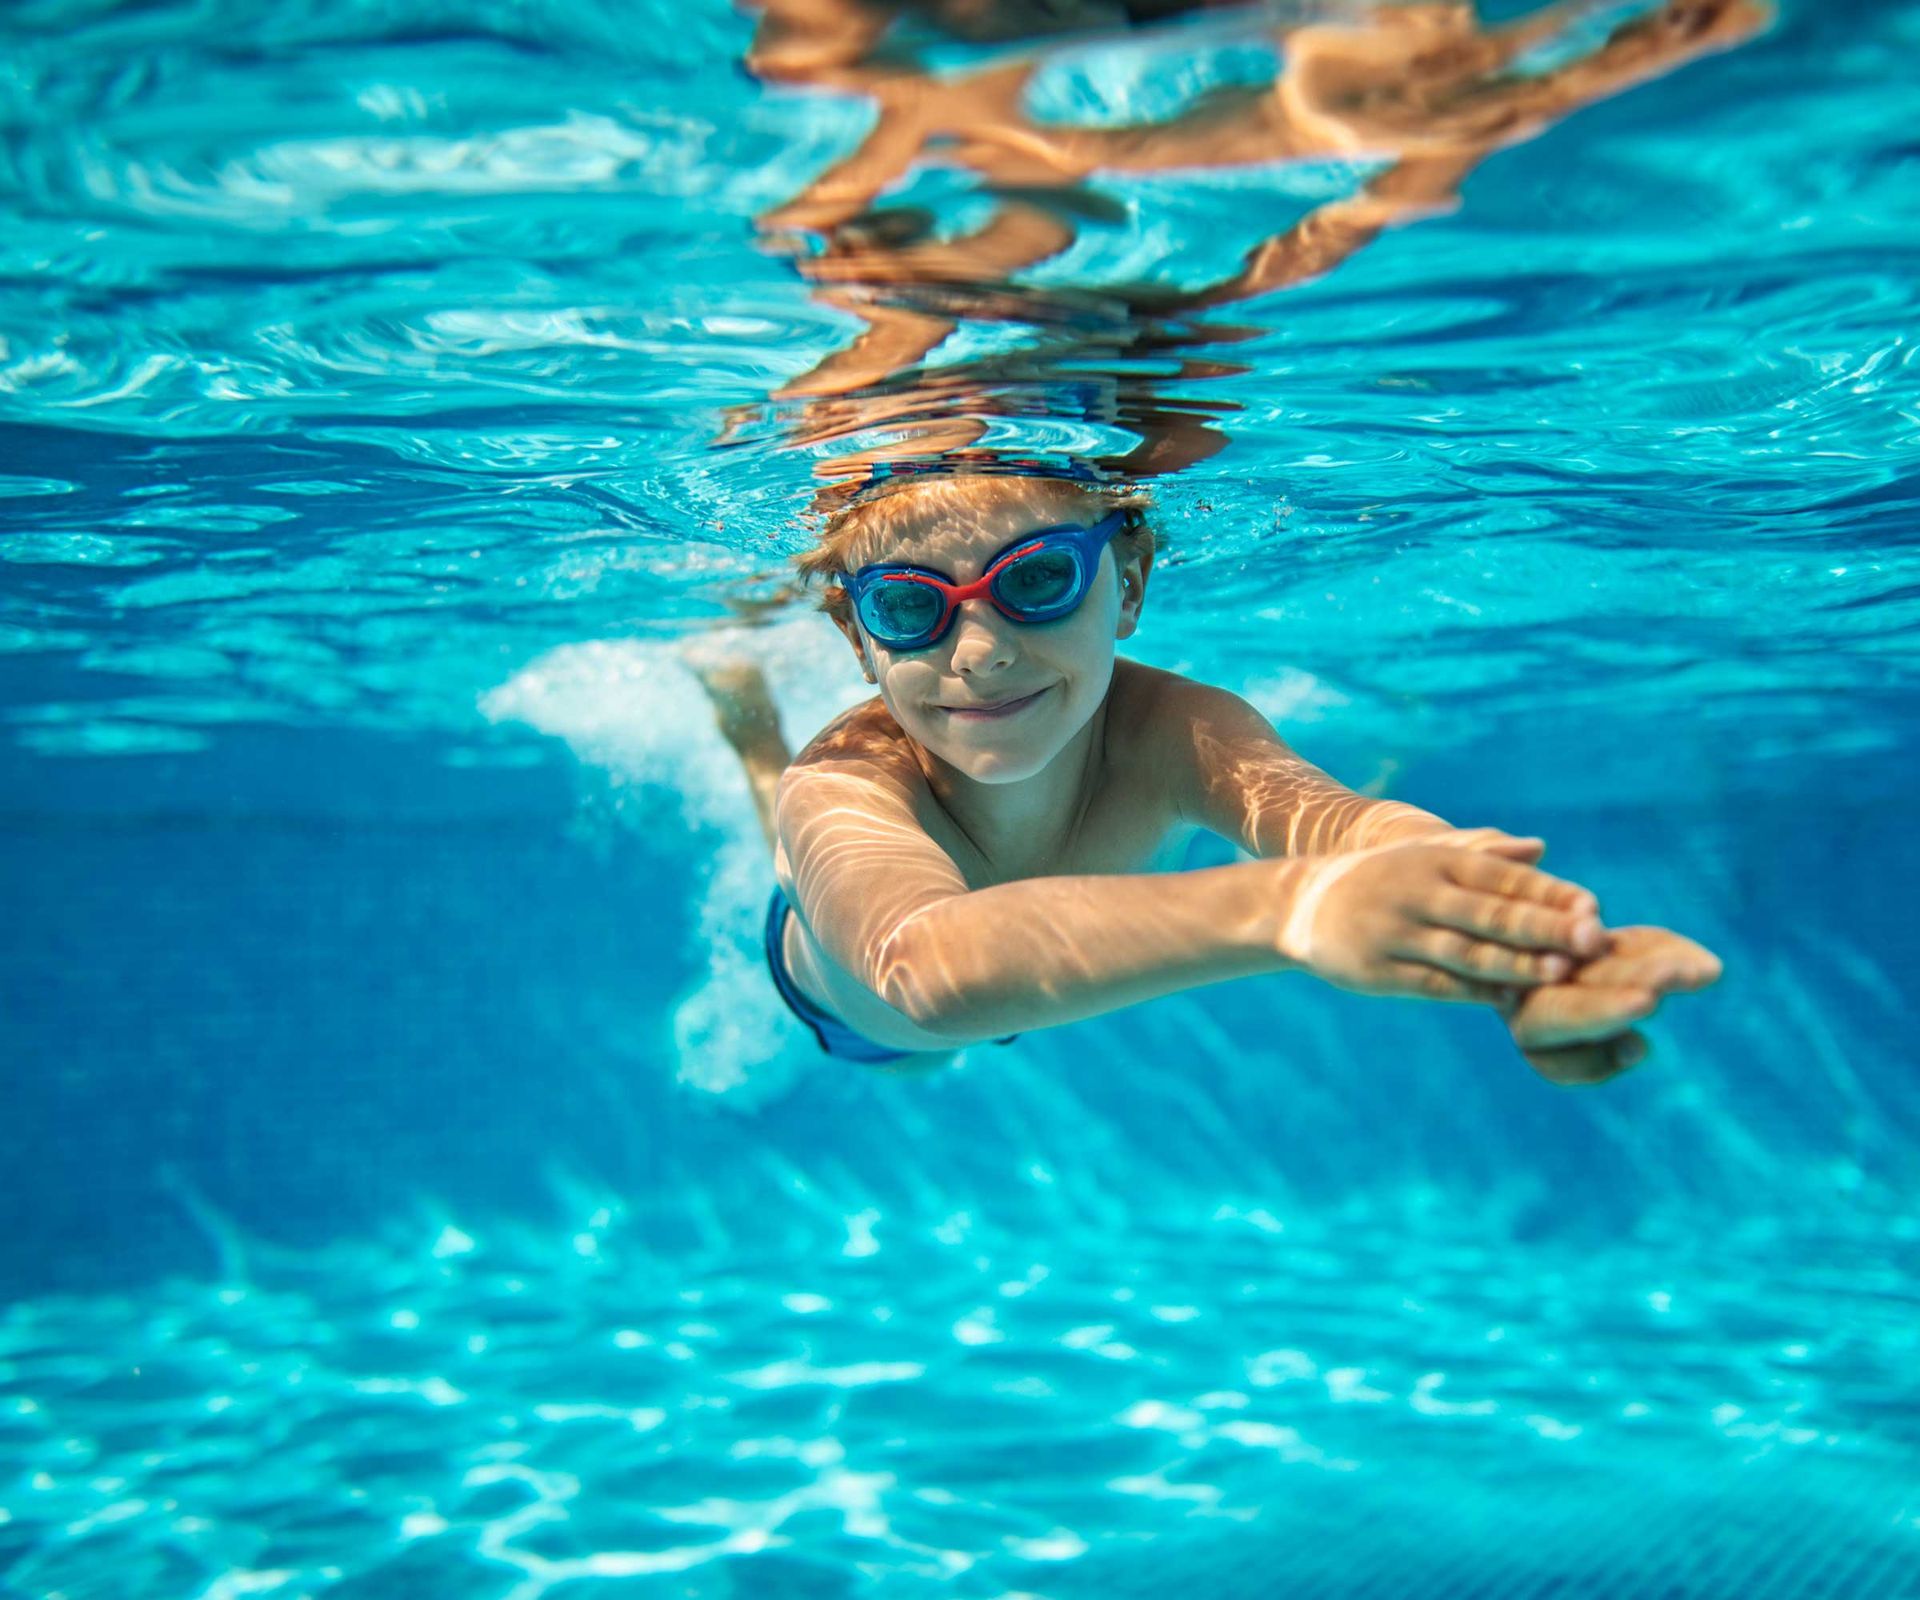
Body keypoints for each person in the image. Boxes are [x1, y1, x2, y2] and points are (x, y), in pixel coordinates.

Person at [688, 460, 1722, 1086]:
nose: (981, 650)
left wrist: (1523, 950)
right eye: (912, 606)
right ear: (858, 638)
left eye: (1038, 581)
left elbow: (1345, 828)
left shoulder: (1179, 730)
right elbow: (927, 968)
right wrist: (1297, 914)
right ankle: (749, 722)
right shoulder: (850, 783)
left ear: (1128, 583)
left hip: (1017, 993)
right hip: (854, 1011)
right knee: (804, 843)